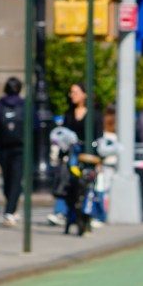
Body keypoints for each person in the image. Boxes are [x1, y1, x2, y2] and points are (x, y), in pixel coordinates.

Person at [49, 81, 94, 226]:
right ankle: (61, 212)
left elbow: (97, 137)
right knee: (66, 182)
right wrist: (62, 157)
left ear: (84, 94)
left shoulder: (93, 114)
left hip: (87, 156)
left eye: (75, 92)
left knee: (88, 185)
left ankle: (91, 215)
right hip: (71, 155)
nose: (72, 95)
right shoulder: (69, 113)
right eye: (71, 92)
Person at [0, 77, 26, 227]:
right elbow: (35, 125)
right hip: (21, 147)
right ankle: (11, 210)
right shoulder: (25, 105)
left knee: (7, 179)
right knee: (16, 180)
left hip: (3, 147)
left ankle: (11, 209)